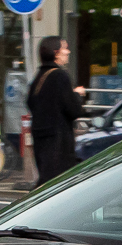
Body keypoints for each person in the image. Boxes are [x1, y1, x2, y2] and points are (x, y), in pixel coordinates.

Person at [25, 35, 85, 184]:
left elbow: (30, 102)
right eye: (65, 48)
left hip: (41, 139)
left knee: (46, 182)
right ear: (56, 52)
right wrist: (77, 95)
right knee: (59, 185)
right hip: (59, 143)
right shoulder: (60, 76)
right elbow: (74, 110)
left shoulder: (39, 76)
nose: (68, 52)